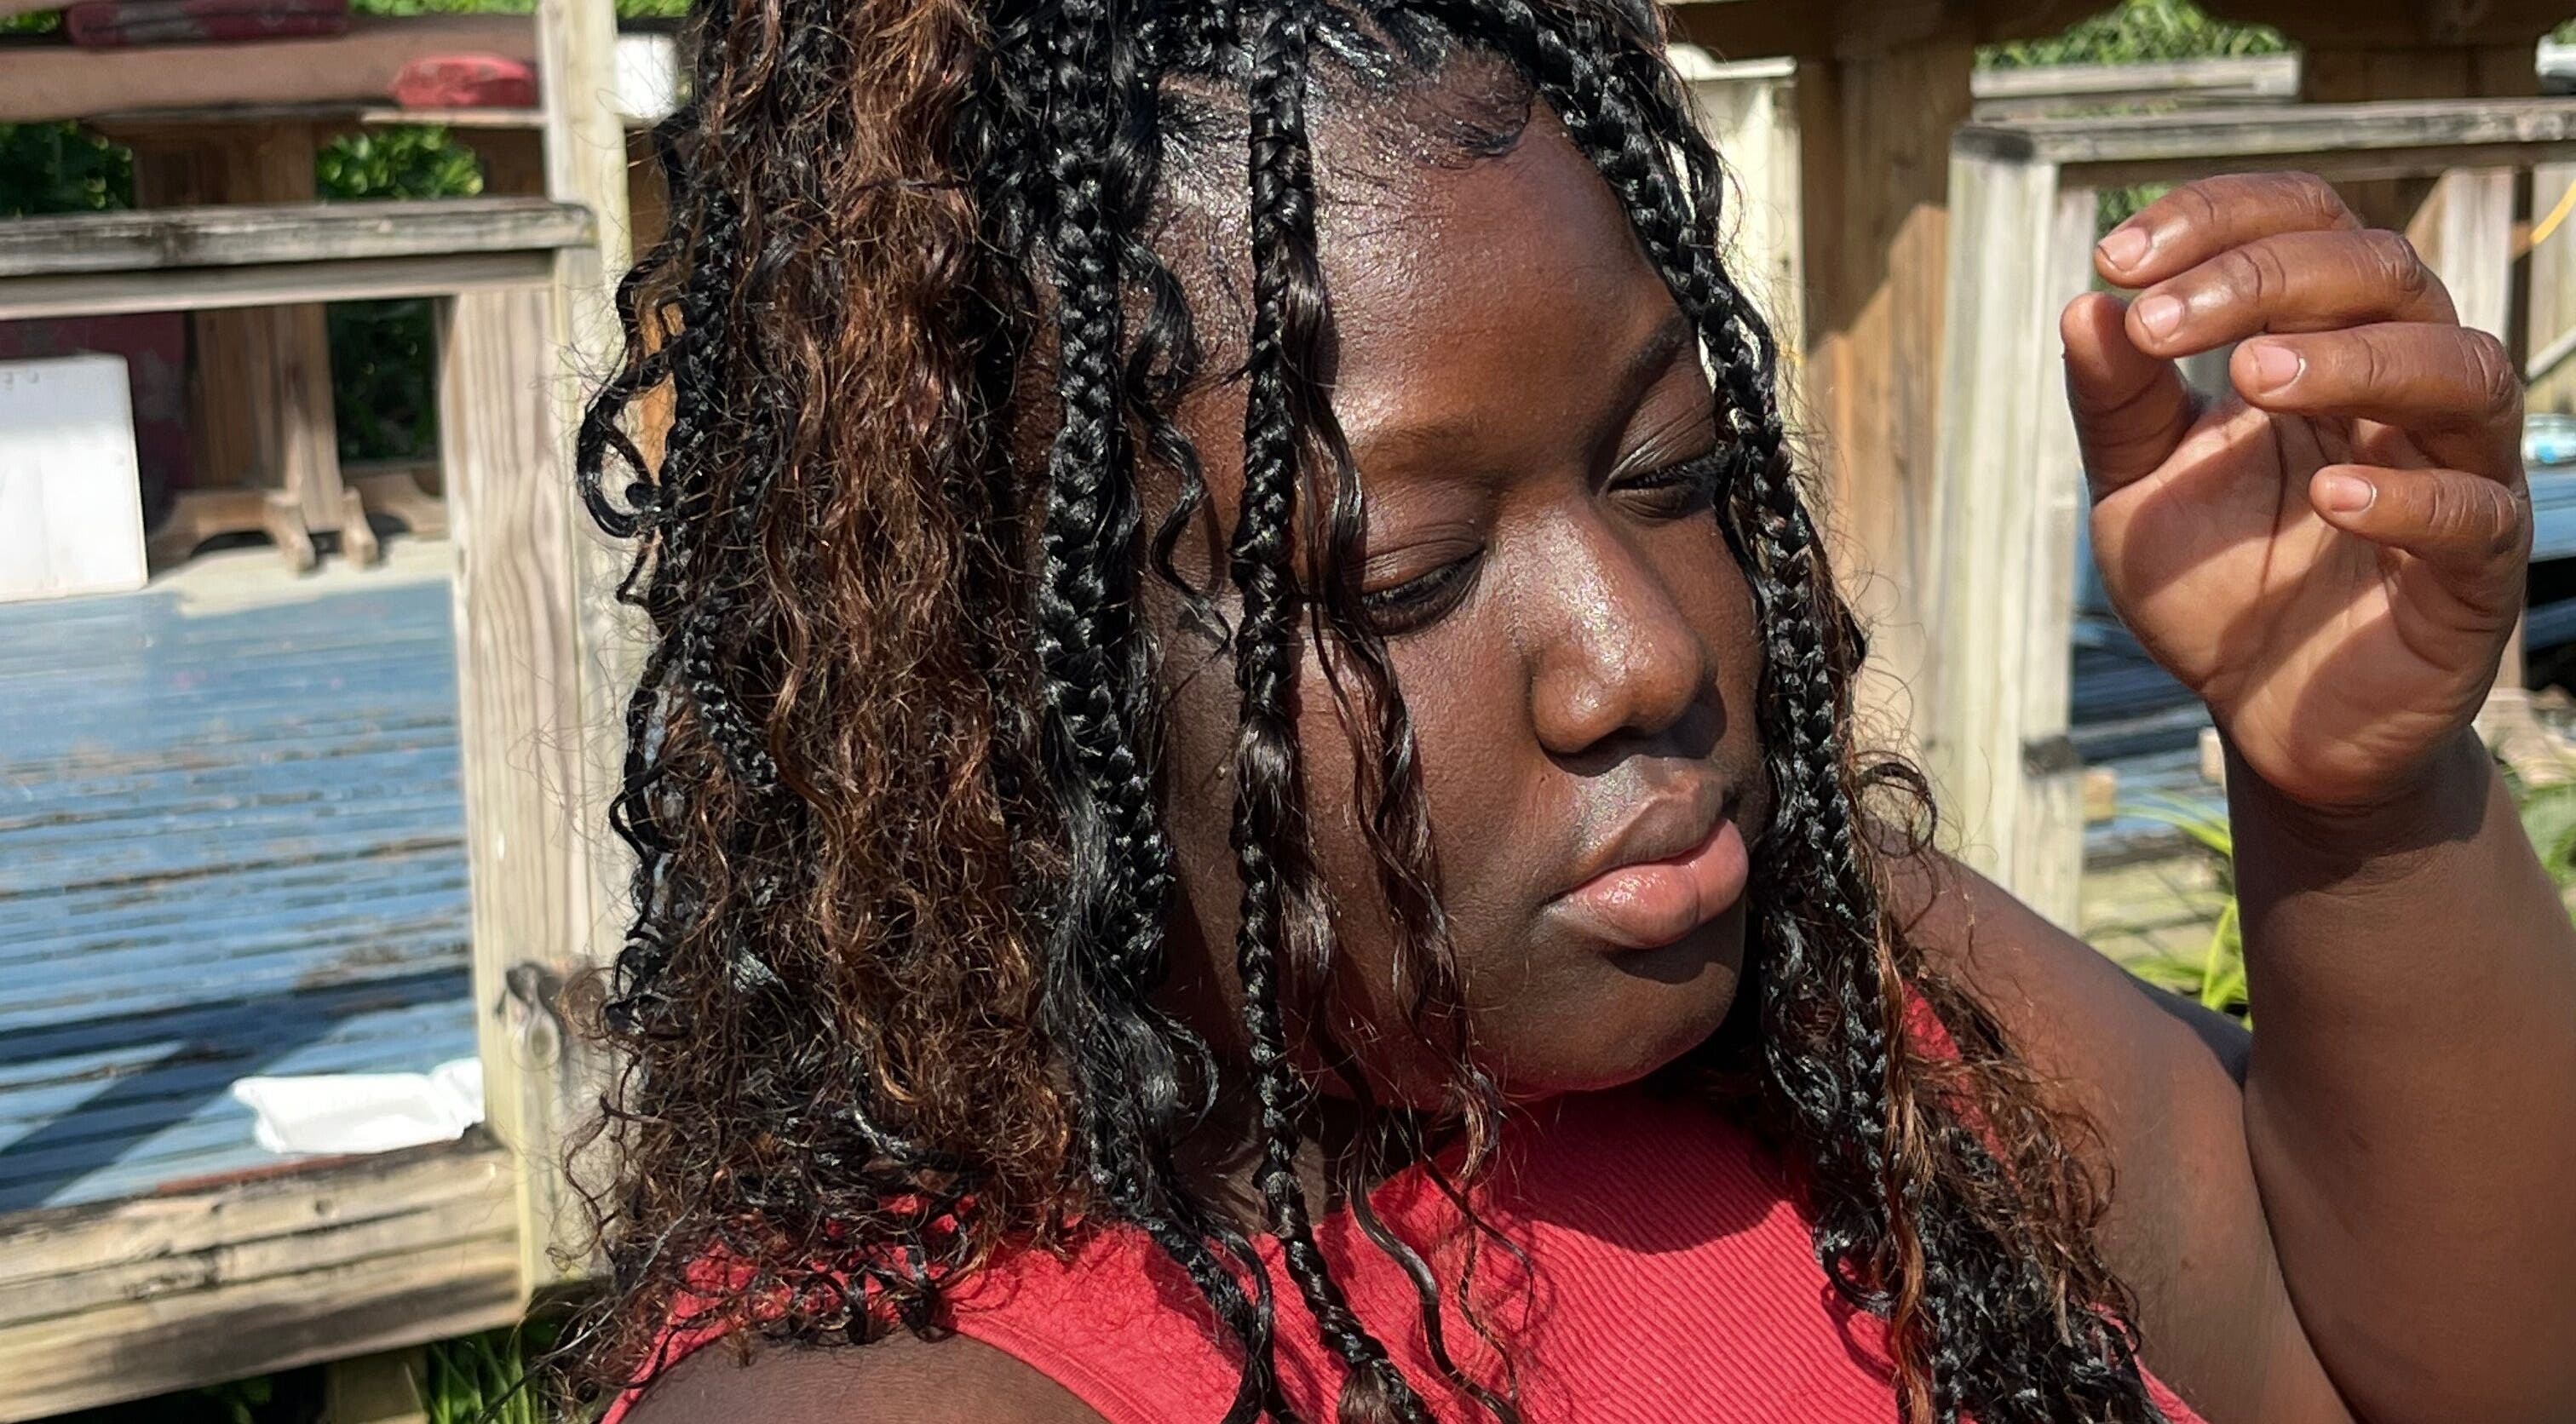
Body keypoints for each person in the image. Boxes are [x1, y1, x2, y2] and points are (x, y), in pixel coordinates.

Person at [572, 1, 2576, 1420]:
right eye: (1404, 580)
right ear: (1009, 690)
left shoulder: (1863, 1011)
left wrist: (2363, 794)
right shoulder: (928, 1384)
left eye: (1671, 470)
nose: (1640, 655)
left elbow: (2441, 1369)